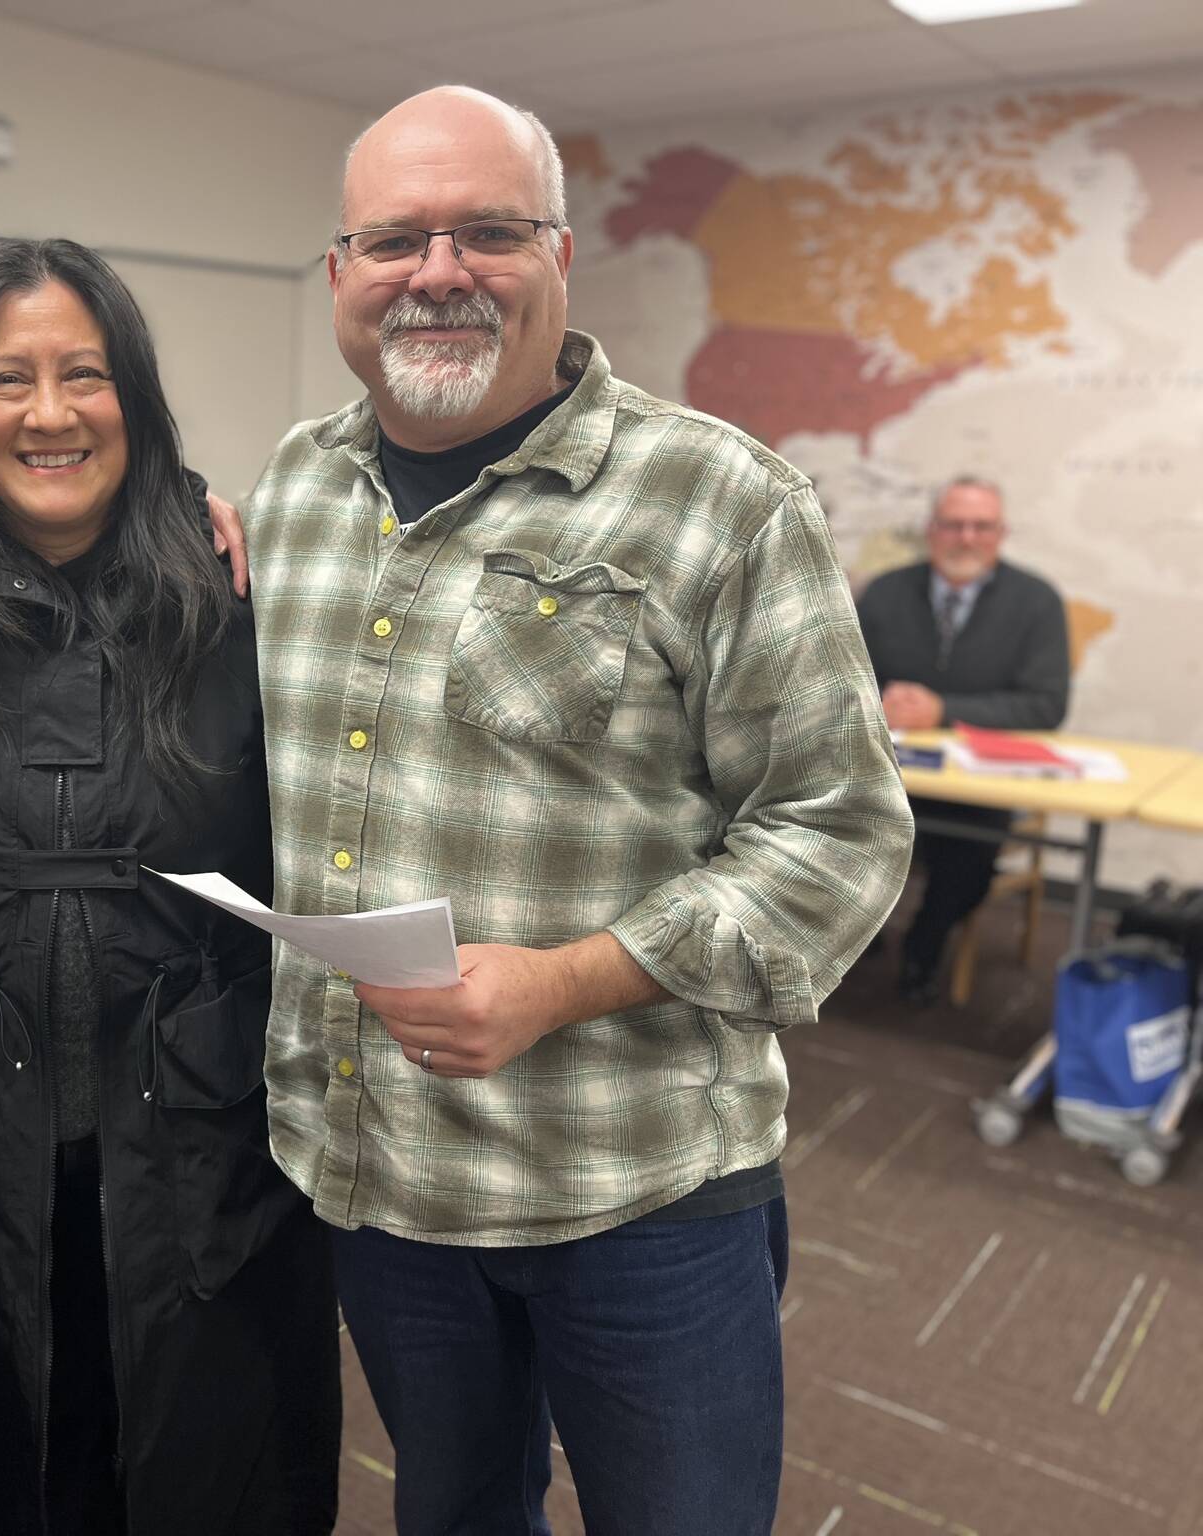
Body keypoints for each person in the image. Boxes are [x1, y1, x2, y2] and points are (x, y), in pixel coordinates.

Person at [231, 88, 915, 1535]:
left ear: (560, 259)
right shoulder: (291, 490)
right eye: (394, 238)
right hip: (387, 1178)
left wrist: (566, 982)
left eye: (489, 232)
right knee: (456, 1512)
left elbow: (840, 834)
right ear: (339, 270)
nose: (439, 270)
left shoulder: (719, 500)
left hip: (640, 1189)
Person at [0, 238, 340, 1536]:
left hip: (202, 1152)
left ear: (137, 393)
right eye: (7, 379)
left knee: (206, 1478)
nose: (52, 411)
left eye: (86, 372)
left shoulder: (240, 591)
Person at [856, 475, 1070, 1004]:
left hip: (975, 790)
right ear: (931, 530)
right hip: (888, 773)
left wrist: (944, 711)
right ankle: (859, 933)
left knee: (968, 860)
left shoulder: (1036, 602)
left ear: (1002, 534)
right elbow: (840, 676)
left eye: (981, 526)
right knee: (826, 826)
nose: (966, 537)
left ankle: (925, 945)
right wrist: (881, 700)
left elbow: (1046, 705)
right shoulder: (885, 592)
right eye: (953, 524)